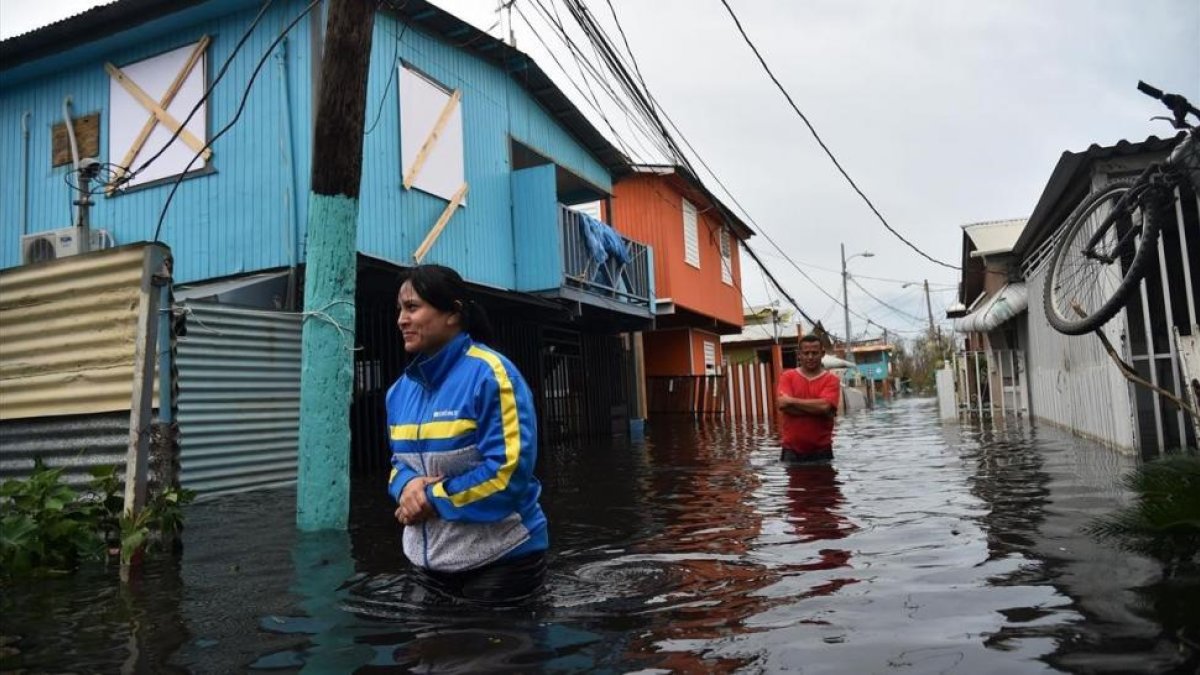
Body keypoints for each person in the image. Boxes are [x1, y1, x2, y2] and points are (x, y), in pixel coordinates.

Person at [385, 264, 547, 603]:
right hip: (426, 565)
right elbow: (398, 462)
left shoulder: (492, 376)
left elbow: (508, 473)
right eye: (400, 309)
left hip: (502, 561)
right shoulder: (398, 392)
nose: (401, 319)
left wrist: (430, 499)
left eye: (412, 307)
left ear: (453, 314)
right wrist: (406, 486)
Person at [776, 334, 842, 464]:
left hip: (822, 451)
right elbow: (783, 405)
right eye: (806, 353)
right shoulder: (787, 377)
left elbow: (824, 407)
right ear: (799, 354)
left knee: (825, 484)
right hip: (791, 451)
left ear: (822, 353)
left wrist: (792, 401)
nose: (810, 357)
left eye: (814, 353)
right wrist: (821, 412)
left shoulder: (832, 380)